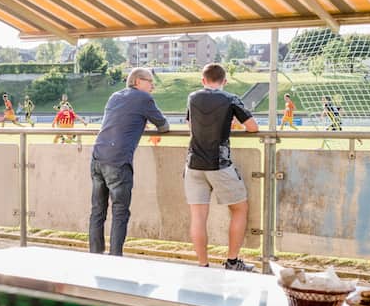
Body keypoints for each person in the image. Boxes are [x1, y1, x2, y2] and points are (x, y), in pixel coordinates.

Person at [185, 63, 259, 271]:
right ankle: (233, 261)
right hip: (219, 164)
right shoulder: (230, 98)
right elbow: (253, 128)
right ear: (224, 81)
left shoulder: (193, 97)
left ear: (203, 80)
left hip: (193, 164)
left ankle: (203, 264)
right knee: (239, 209)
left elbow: (191, 127)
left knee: (198, 217)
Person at [89, 67, 169, 256]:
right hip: (118, 161)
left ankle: (95, 256)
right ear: (138, 81)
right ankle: (115, 259)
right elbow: (164, 126)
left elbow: (120, 119)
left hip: (98, 157)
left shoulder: (115, 96)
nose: (153, 87)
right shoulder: (143, 99)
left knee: (98, 211)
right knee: (120, 212)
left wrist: (139, 120)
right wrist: (144, 119)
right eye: (150, 82)